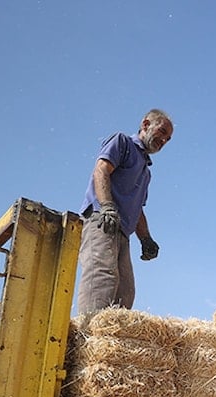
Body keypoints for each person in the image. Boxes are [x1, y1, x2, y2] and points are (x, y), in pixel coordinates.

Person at [76, 108, 174, 317]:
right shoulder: (122, 143)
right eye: (162, 132)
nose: (163, 140)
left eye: (168, 138)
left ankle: (113, 341)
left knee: (125, 291)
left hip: (122, 231)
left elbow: (137, 208)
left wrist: (146, 238)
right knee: (102, 276)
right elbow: (101, 169)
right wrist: (107, 207)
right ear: (146, 124)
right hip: (101, 220)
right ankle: (90, 334)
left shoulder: (146, 173)